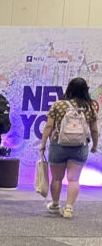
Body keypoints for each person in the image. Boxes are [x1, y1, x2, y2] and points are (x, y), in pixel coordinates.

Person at [39, 77, 99, 218]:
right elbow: (94, 130)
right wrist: (95, 146)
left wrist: (43, 144)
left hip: (58, 145)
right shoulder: (89, 107)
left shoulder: (58, 105)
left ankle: (55, 204)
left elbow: (48, 126)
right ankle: (69, 209)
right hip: (79, 146)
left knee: (57, 178)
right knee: (73, 179)